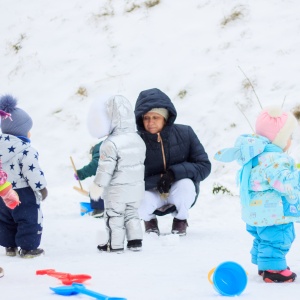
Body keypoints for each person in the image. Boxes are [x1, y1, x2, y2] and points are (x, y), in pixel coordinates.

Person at [214, 105, 300, 283]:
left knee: (264, 238)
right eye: (289, 136)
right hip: (274, 214)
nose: (291, 140)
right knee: (280, 238)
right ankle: (273, 270)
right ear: (280, 139)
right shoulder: (276, 159)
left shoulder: (255, 156)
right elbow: (283, 183)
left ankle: (265, 263)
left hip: (257, 214)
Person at [134, 88, 211, 236]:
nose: (150, 123)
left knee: (186, 185)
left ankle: (180, 220)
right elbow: (129, 175)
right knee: (136, 196)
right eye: (146, 118)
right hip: (151, 192)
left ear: (165, 117)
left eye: (155, 117)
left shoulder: (186, 133)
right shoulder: (135, 142)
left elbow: (204, 166)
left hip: (177, 190)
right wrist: (159, 180)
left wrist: (173, 174)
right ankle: (149, 220)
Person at [88, 94, 146, 252]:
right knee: (132, 214)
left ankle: (115, 244)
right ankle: (135, 241)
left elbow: (105, 169)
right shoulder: (138, 139)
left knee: (114, 216)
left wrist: (97, 187)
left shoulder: (110, 143)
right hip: (135, 189)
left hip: (116, 191)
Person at [0, 95, 48, 258]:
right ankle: (28, 248)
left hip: (3, 192)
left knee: (5, 220)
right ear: (20, 130)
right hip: (23, 193)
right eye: (28, 128)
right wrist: (41, 187)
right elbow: (32, 171)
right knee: (29, 220)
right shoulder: (26, 150)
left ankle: (10, 247)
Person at [74, 141, 105, 218]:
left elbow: (96, 165)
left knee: (97, 186)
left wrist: (81, 173)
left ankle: (99, 209)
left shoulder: (99, 149)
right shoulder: (104, 145)